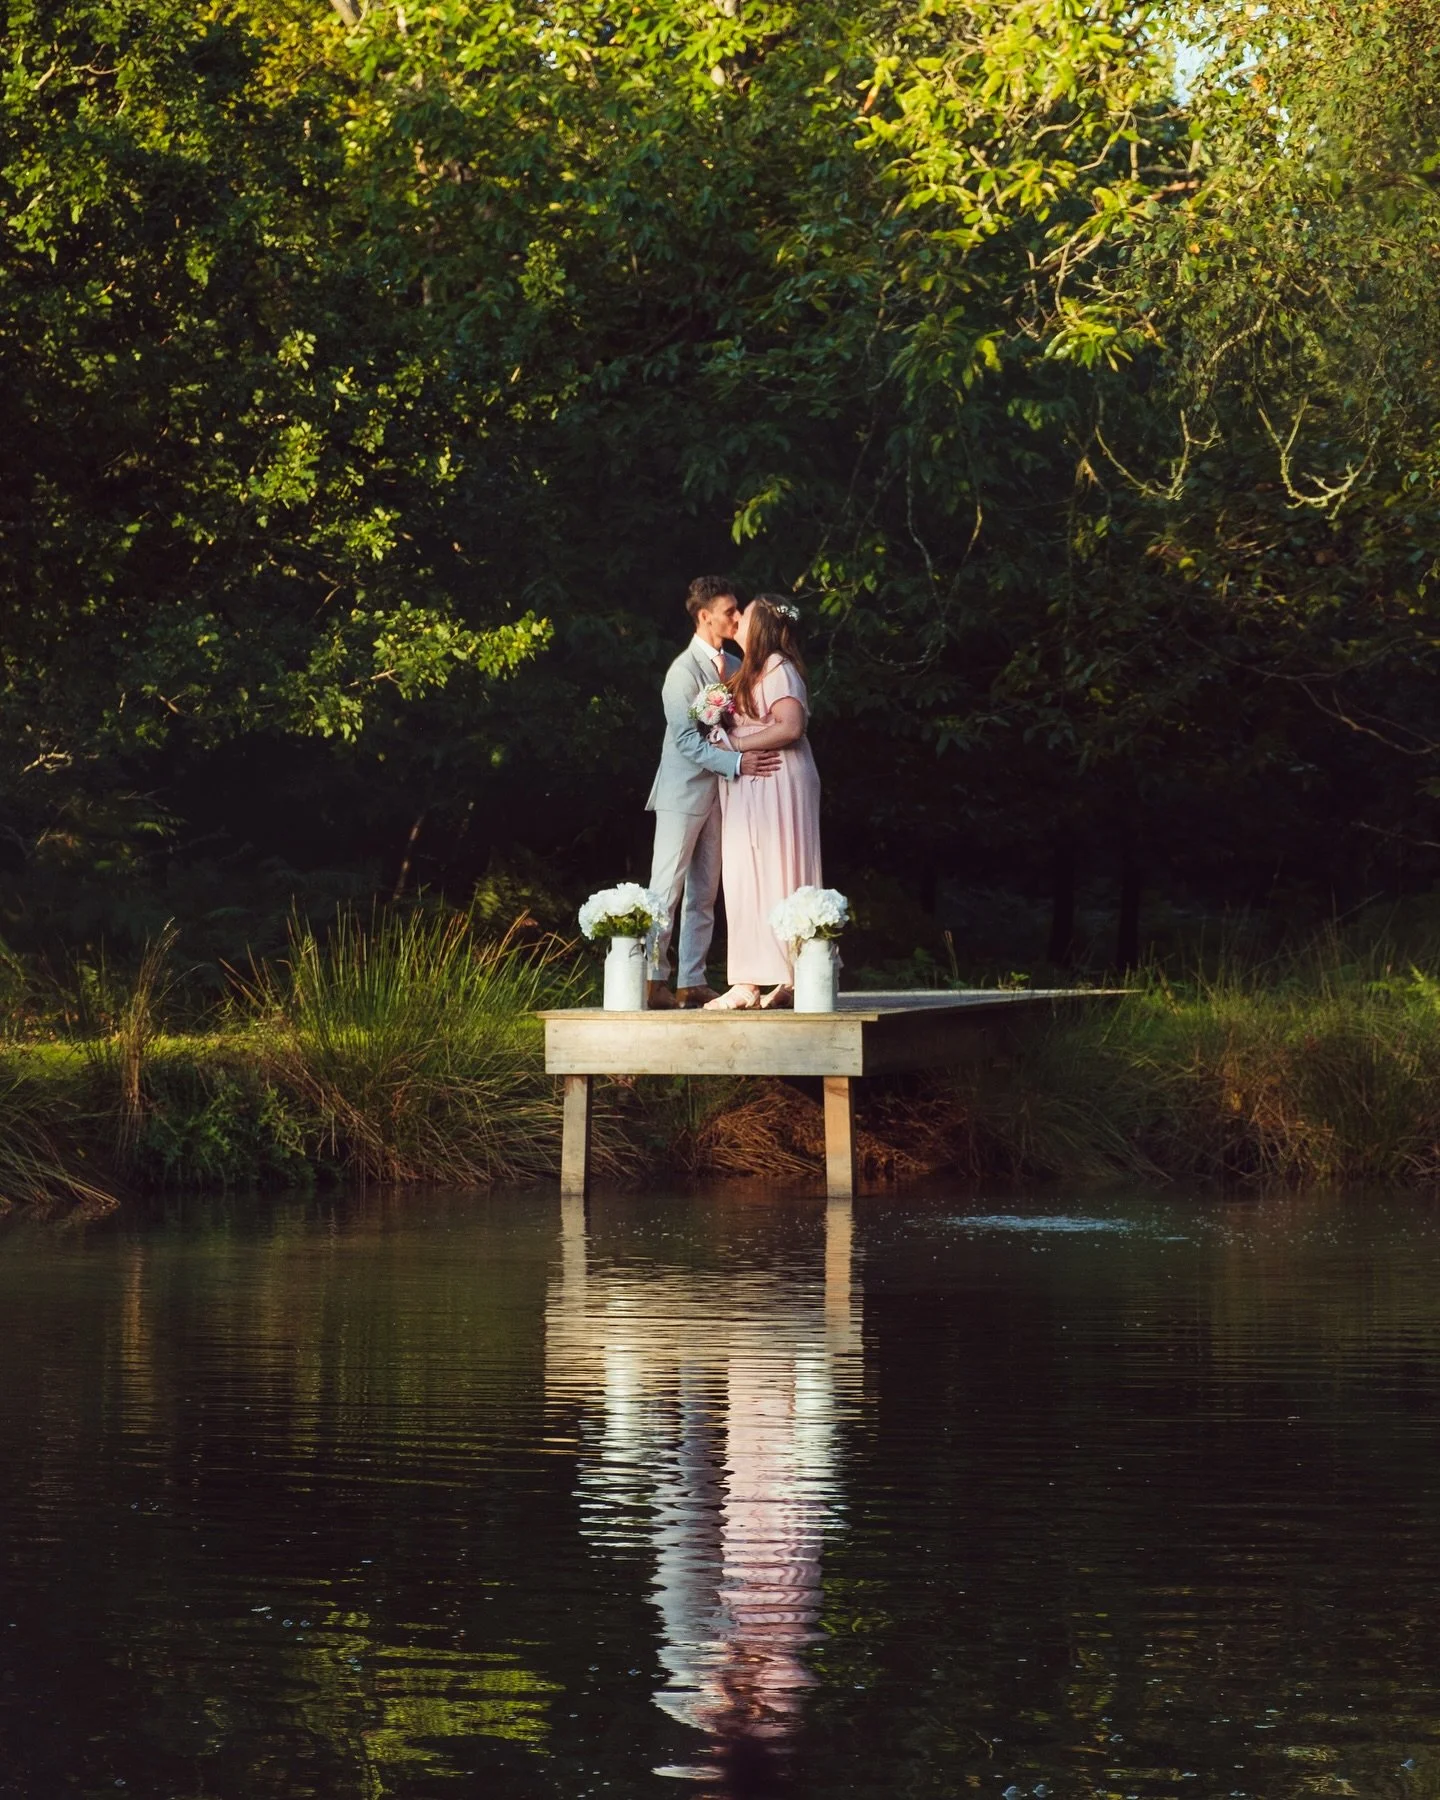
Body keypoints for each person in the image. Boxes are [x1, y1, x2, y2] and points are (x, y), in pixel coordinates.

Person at [646, 577, 780, 1009]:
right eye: (730, 612)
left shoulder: (738, 667)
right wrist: (738, 763)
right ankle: (651, 979)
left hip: (724, 796)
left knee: (705, 891)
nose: (738, 618)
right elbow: (687, 739)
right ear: (705, 617)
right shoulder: (682, 672)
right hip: (682, 794)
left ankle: (692, 979)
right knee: (667, 889)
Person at [705, 595, 822, 1011]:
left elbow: (791, 725)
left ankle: (792, 974)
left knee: (779, 868)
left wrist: (735, 744)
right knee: (745, 876)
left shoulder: (778, 667)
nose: (736, 620)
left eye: (745, 615)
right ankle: (748, 979)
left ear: (764, 628)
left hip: (778, 779)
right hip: (751, 783)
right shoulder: (745, 671)